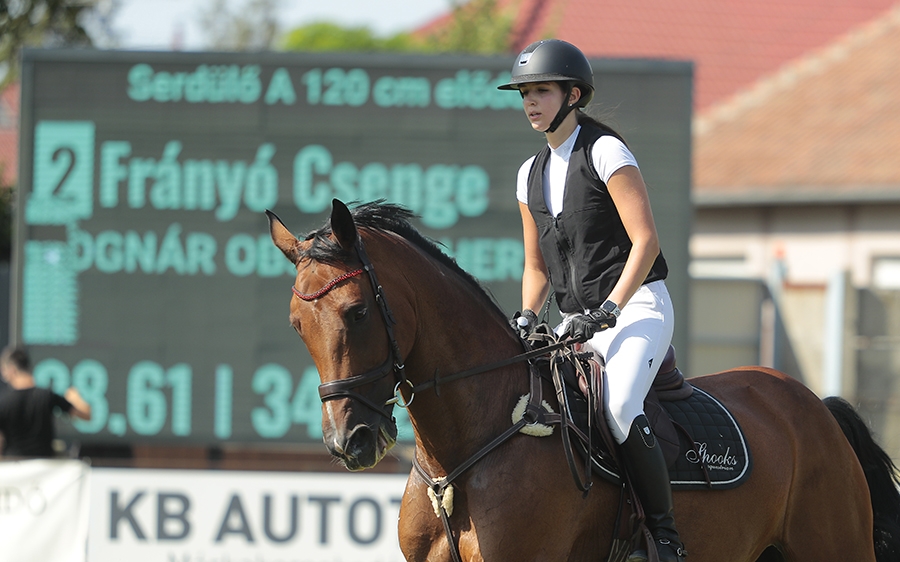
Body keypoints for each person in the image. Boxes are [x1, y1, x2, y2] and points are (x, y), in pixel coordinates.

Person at [499, 40, 685, 562]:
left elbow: (646, 241)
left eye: (540, 91)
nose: (529, 102)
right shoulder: (527, 174)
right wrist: (528, 316)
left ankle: (665, 536)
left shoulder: (604, 151)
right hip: (576, 322)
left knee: (620, 407)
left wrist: (610, 309)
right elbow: (536, 267)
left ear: (572, 94)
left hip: (639, 306)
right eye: (524, 93)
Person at [0, 346, 91, 458]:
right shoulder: (46, 396)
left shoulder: (3, 402)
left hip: (14, 469)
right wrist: (76, 398)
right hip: (44, 469)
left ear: (11, 370)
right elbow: (85, 414)